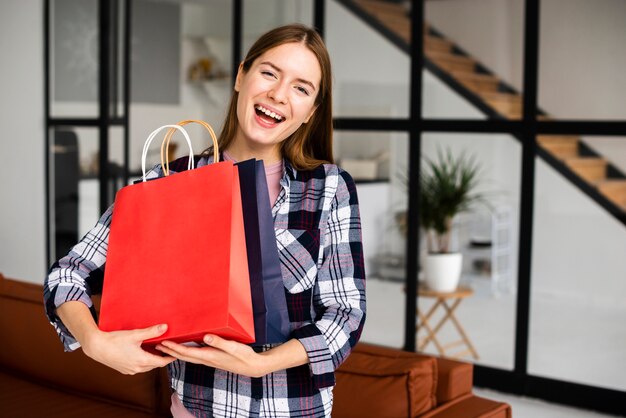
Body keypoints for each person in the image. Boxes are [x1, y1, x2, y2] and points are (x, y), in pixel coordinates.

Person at [44, 23, 366, 418]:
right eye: (269, 72)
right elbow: (67, 275)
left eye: (301, 88)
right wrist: (93, 341)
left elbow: (345, 317)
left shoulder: (330, 188)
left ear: (310, 112)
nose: (279, 95)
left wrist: (260, 363)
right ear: (240, 77)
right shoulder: (168, 182)